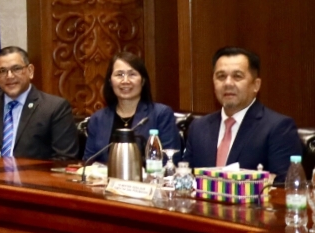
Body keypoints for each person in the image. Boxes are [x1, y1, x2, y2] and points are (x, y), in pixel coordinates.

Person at [186, 47, 302, 181]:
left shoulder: (278, 128)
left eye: (237, 76)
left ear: (256, 85)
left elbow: (284, 185)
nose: (228, 83)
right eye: (221, 76)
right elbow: (185, 177)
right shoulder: (198, 127)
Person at [0, 46, 80, 160]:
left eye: (16, 69)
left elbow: (65, 159)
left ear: (30, 71)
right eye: (2, 71)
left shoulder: (54, 107)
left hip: (35, 172)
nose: (9, 76)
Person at [82, 52, 180, 164]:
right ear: (110, 81)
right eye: (119, 74)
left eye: (132, 74)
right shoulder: (98, 119)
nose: (125, 81)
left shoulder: (161, 114)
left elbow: (170, 160)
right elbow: (88, 162)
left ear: (143, 81)